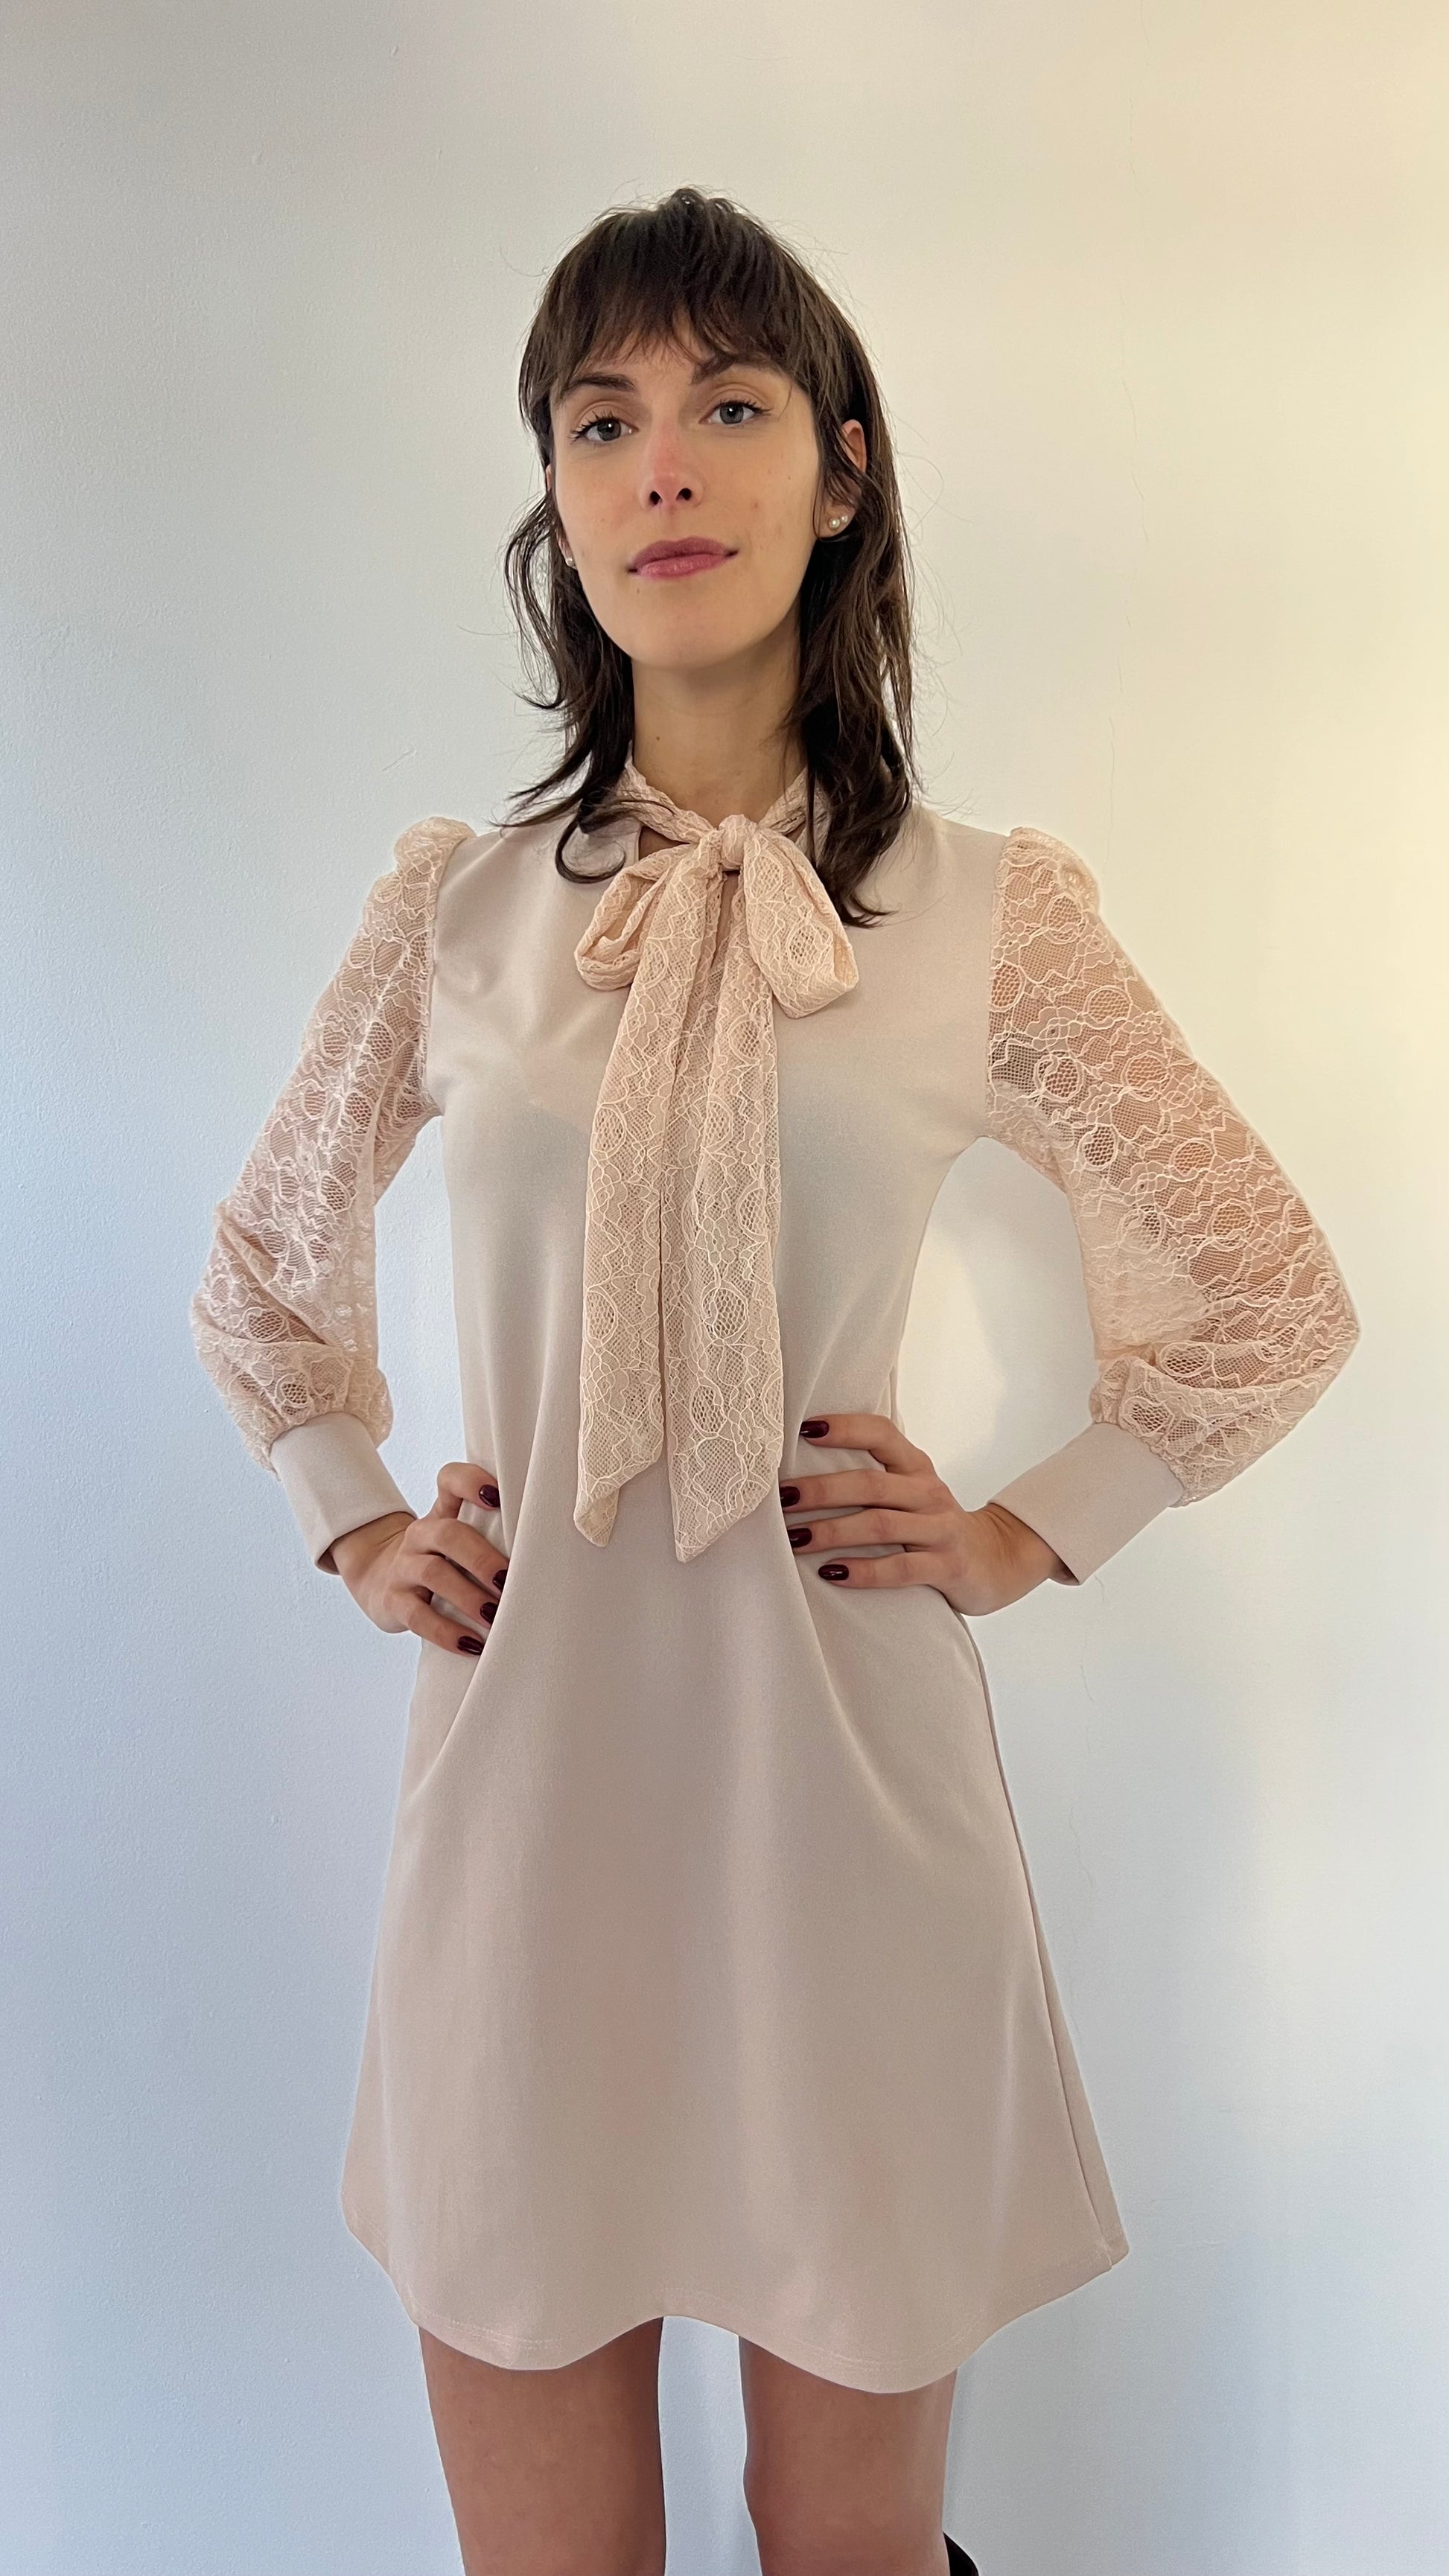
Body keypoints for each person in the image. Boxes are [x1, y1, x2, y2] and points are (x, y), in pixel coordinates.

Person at [189, 186, 1360, 2576]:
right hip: (528, 1802)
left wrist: (1030, 1522)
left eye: (727, 404)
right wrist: (351, 1509)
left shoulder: (984, 913)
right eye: (597, 418)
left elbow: (1264, 1283)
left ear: (841, 469)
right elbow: (260, 1274)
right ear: (556, 497)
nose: (661, 464)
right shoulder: (458, 913)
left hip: (843, 1805)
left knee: (847, 2550)